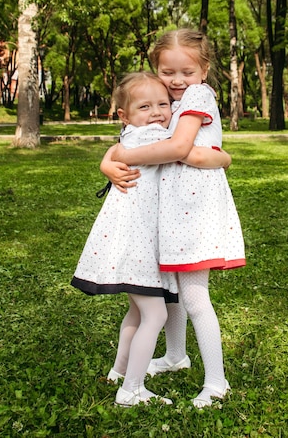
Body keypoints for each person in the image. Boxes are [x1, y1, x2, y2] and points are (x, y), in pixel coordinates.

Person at [103, 29, 246, 408]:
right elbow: (134, 138)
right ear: (156, 69)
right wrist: (108, 161)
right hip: (174, 211)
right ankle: (175, 355)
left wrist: (122, 159)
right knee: (172, 296)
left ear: (204, 68)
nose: (178, 80)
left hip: (195, 210)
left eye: (187, 71)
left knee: (196, 298)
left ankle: (217, 382)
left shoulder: (198, 95)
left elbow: (182, 148)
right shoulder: (168, 100)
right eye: (168, 72)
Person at [71, 71, 230, 407]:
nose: (158, 111)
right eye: (146, 105)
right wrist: (224, 158)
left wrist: (109, 159)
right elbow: (181, 149)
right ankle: (131, 390)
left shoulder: (135, 132)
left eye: (163, 104)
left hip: (129, 240)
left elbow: (119, 148)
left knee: (136, 312)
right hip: (137, 241)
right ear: (124, 116)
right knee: (154, 315)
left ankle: (119, 370)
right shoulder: (154, 136)